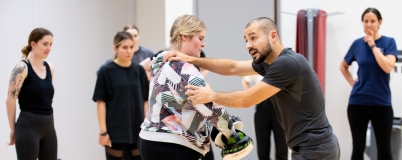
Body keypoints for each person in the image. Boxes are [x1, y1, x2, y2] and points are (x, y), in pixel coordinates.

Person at [163, 17, 340, 160]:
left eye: (253, 38)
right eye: (246, 40)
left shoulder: (288, 63)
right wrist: (191, 59)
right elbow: (232, 68)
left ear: (273, 36)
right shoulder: (270, 63)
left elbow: (246, 99)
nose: (248, 45)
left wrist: (211, 95)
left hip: (316, 150)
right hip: (313, 148)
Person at [137, 14, 253, 160]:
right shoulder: (185, 70)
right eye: (201, 38)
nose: (203, 44)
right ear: (184, 36)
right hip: (174, 145)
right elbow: (210, 108)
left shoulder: (161, 62)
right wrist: (231, 133)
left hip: (148, 141)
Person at [339, 8, 397, 160]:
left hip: (381, 102)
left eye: (373, 21)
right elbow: (343, 66)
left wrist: (373, 45)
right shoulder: (357, 44)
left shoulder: (389, 42)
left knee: (384, 150)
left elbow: (388, 66)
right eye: (366, 21)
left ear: (380, 22)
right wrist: (352, 81)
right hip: (358, 102)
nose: (369, 24)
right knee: (358, 149)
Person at [92, 31, 149, 160]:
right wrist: (103, 131)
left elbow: (145, 101)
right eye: (124, 47)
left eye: (131, 47)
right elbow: (101, 102)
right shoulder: (106, 71)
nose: (129, 51)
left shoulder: (139, 71)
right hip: (115, 130)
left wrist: (147, 126)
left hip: (137, 129)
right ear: (115, 48)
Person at [6, 28, 57, 160]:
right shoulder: (21, 68)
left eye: (51, 44)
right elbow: (10, 100)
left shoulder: (49, 67)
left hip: (49, 125)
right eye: (45, 44)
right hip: (28, 127)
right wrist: (13, 129)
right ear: (33, 44)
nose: (49, 48)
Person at [242, 75, 288, 160]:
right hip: (262, 107)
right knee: (262, 151)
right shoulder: (258, 65)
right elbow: (245, 80)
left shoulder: (282, 64)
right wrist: (251, 98)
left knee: (282, 150)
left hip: (280, 107)